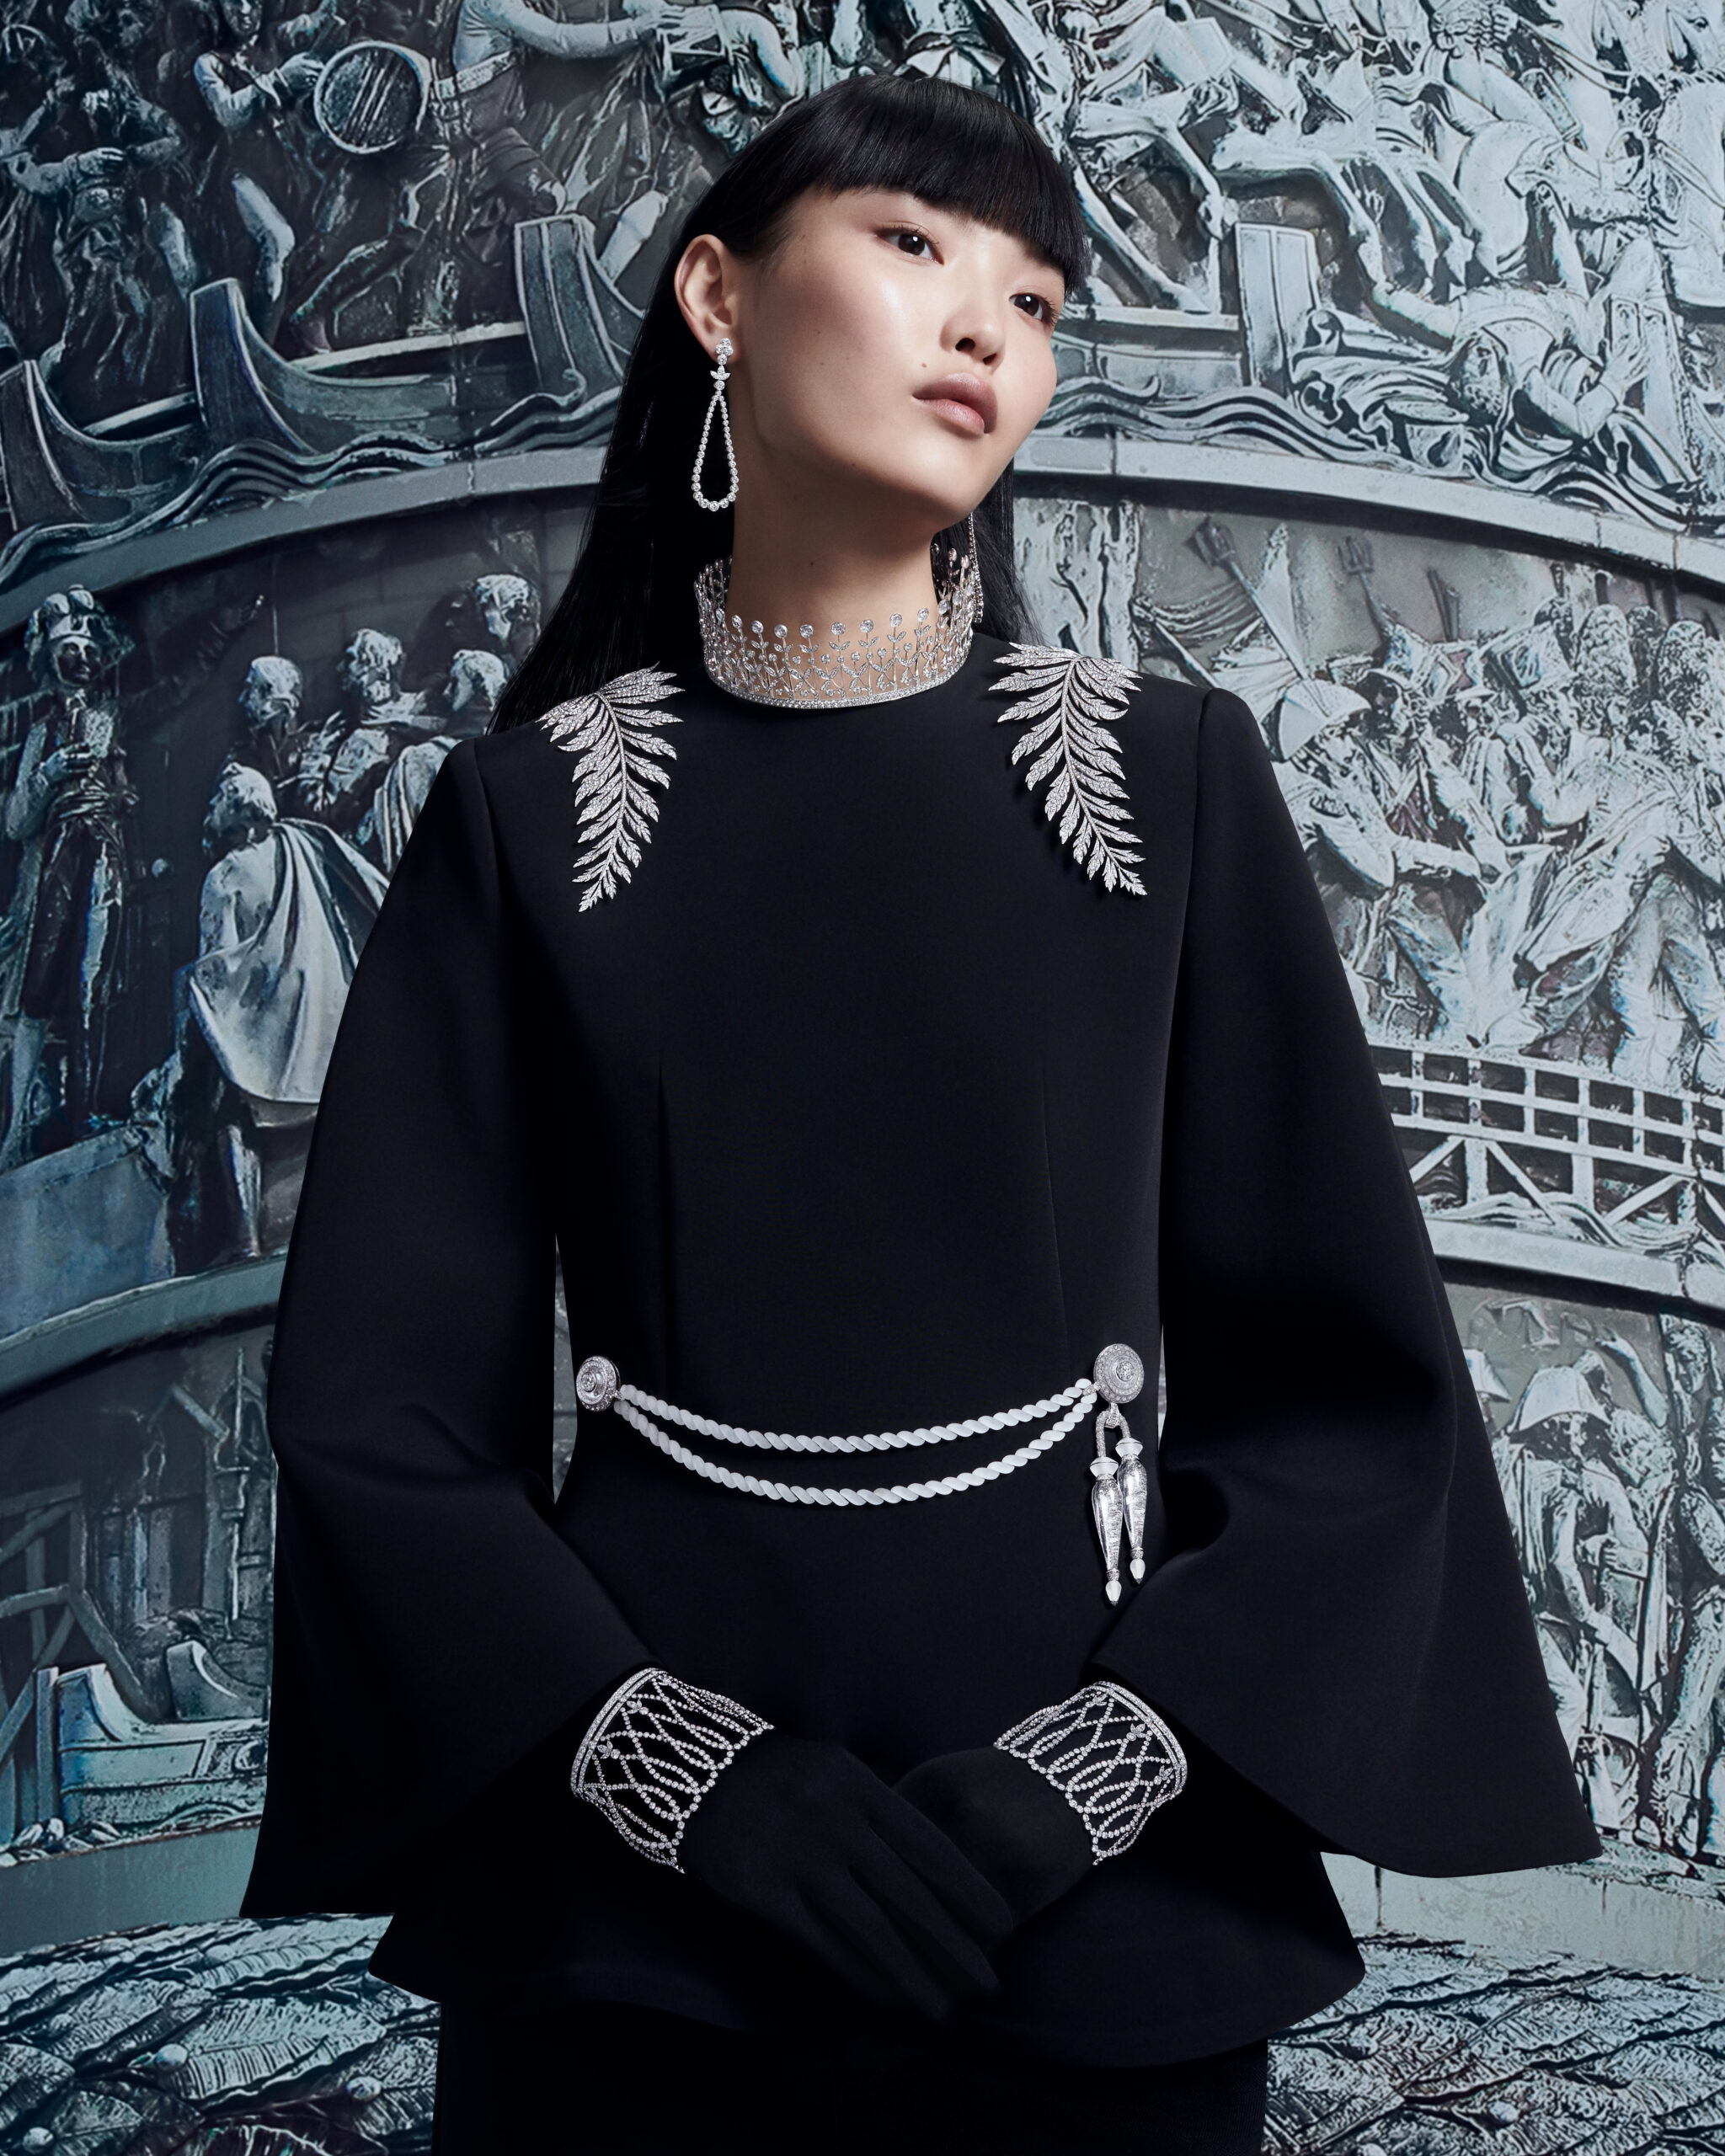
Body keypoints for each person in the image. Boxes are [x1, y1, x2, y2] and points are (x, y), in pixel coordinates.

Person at [240, 73, 1599, 2154]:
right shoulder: (527, 816)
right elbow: (377, 1408)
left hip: (1101, 1923)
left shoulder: (1165, 780)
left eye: (1035, 299)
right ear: (718, 295)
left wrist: (1103, 1767)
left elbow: (1350, 1396)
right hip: (623, 1942)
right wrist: (673, 1768)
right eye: (911, 244)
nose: (987, 325)